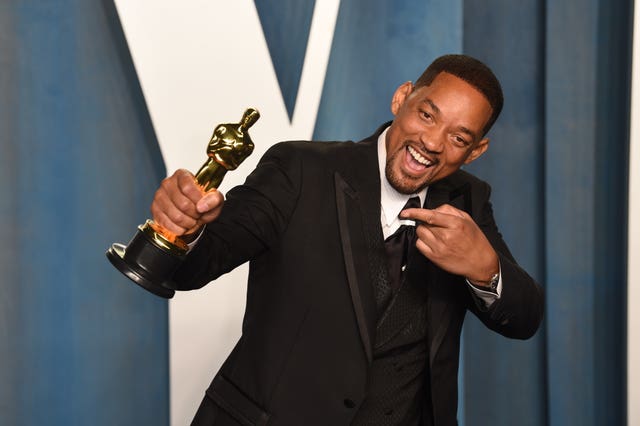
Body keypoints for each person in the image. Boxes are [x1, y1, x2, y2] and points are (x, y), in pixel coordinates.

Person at [151, 54, 544, 426]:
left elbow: (524, 318)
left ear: (476, 151)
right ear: (401, 97)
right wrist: (183, 229)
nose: (433, 143)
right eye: (427, 115)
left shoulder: (469, 201)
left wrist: (486, 269)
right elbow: (196, 265)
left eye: (459, 138)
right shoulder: (299, 170)